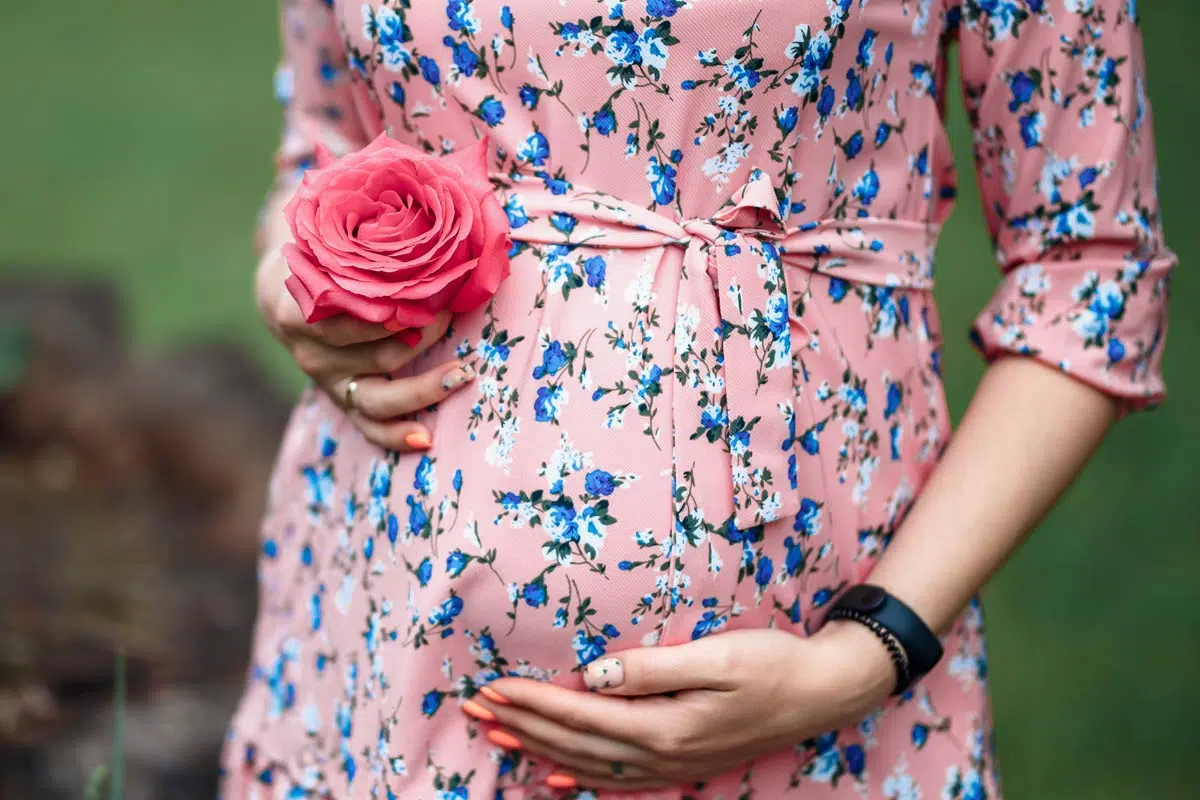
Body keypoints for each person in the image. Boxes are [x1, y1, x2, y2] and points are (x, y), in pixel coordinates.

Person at [221, 1, 1176, 797]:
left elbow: (1088, 275)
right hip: (390, 626)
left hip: (810, 676)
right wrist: (292, 288)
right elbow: (325, 138)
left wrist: (859, 659)